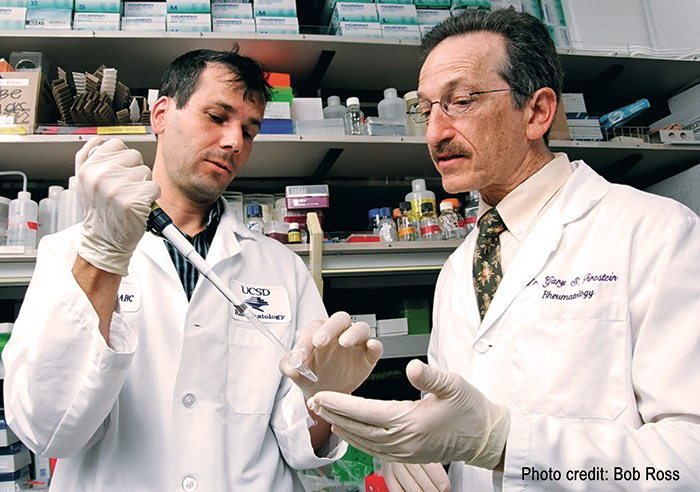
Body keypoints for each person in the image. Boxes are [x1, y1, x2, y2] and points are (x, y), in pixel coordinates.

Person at [307, 9, 700, 492]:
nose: (434, 133)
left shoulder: (655, 233)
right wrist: (416, 455)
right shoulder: (459, 267)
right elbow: (455, 417)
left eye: (461, 101)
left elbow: (689, 458)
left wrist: (504, 444)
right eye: (425, 108)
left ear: (536, 112)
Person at [2, 48, 383, 491]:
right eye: (217, 116)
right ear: (162, 113)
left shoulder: (282, 267)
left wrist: (322, 400)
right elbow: (46, 431)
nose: (235, 141)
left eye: (249, 129)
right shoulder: (68, 253)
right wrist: (103, 256)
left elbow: (301, 448)